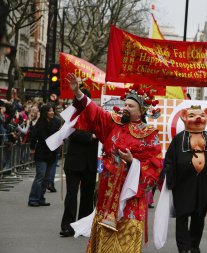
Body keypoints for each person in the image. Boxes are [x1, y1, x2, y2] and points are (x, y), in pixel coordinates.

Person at [67, 73, 162, 252]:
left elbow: (154, 167)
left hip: (131, 195)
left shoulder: (150, 134)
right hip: (108, 189)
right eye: (125, 104)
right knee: (104, 228)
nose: (125, 108)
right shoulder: (114, 123)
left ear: (141, 111)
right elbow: (94, 113)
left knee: (126, 234)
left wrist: (132, 161)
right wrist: (78, 93)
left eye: (131, 106)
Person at [164, 105, 207, 253]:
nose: (198, 118)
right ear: (184, 117)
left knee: (199, 215)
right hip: (183, 184)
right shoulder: (179, 138)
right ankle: (183, 248)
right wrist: (169, 175)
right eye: (192, 115)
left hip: (203, 183)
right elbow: (169, 160)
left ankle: (194, 246)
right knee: (182, 216)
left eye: (202, 115)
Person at [59, 89, 99, 238]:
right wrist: (91, 136)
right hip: (74, 162)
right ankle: (67, 226)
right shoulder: (71, 114)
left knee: (87, 196)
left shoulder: (96, 114)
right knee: (71, 194)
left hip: (90, 163)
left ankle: (82, 225)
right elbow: (69, 132)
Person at [28, 104, 60, 207]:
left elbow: (58, 135)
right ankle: (33, 199)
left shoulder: (56, 122)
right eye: (49, 111)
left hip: (52, 153)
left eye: (52, 110)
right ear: (45, 112)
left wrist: (61, 139)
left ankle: (41, 198)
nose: (52, 112)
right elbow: (33, 136)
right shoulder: (40, 123)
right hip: (42, 153)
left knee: (46, 178)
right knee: (40, 176)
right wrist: (32, 148)